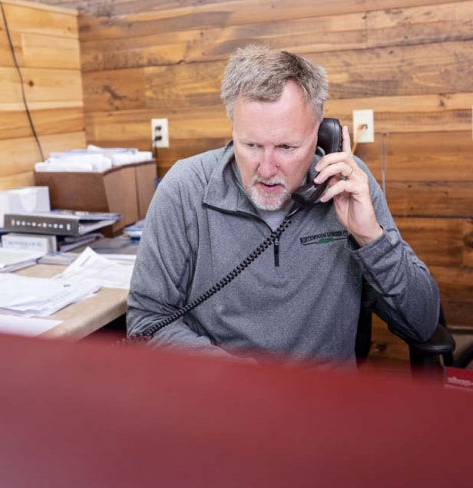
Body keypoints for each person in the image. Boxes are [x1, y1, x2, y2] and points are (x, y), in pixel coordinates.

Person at [126, 45, 440, 368]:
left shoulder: (349, 185)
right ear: (232, 129)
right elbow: (146, 324)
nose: (266, 168)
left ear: (322, 136)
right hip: (223, 402)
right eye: (250, 145)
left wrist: (371, 239)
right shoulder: (185, 189)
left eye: (287, 147)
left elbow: (423, 322)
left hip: (325, 406)